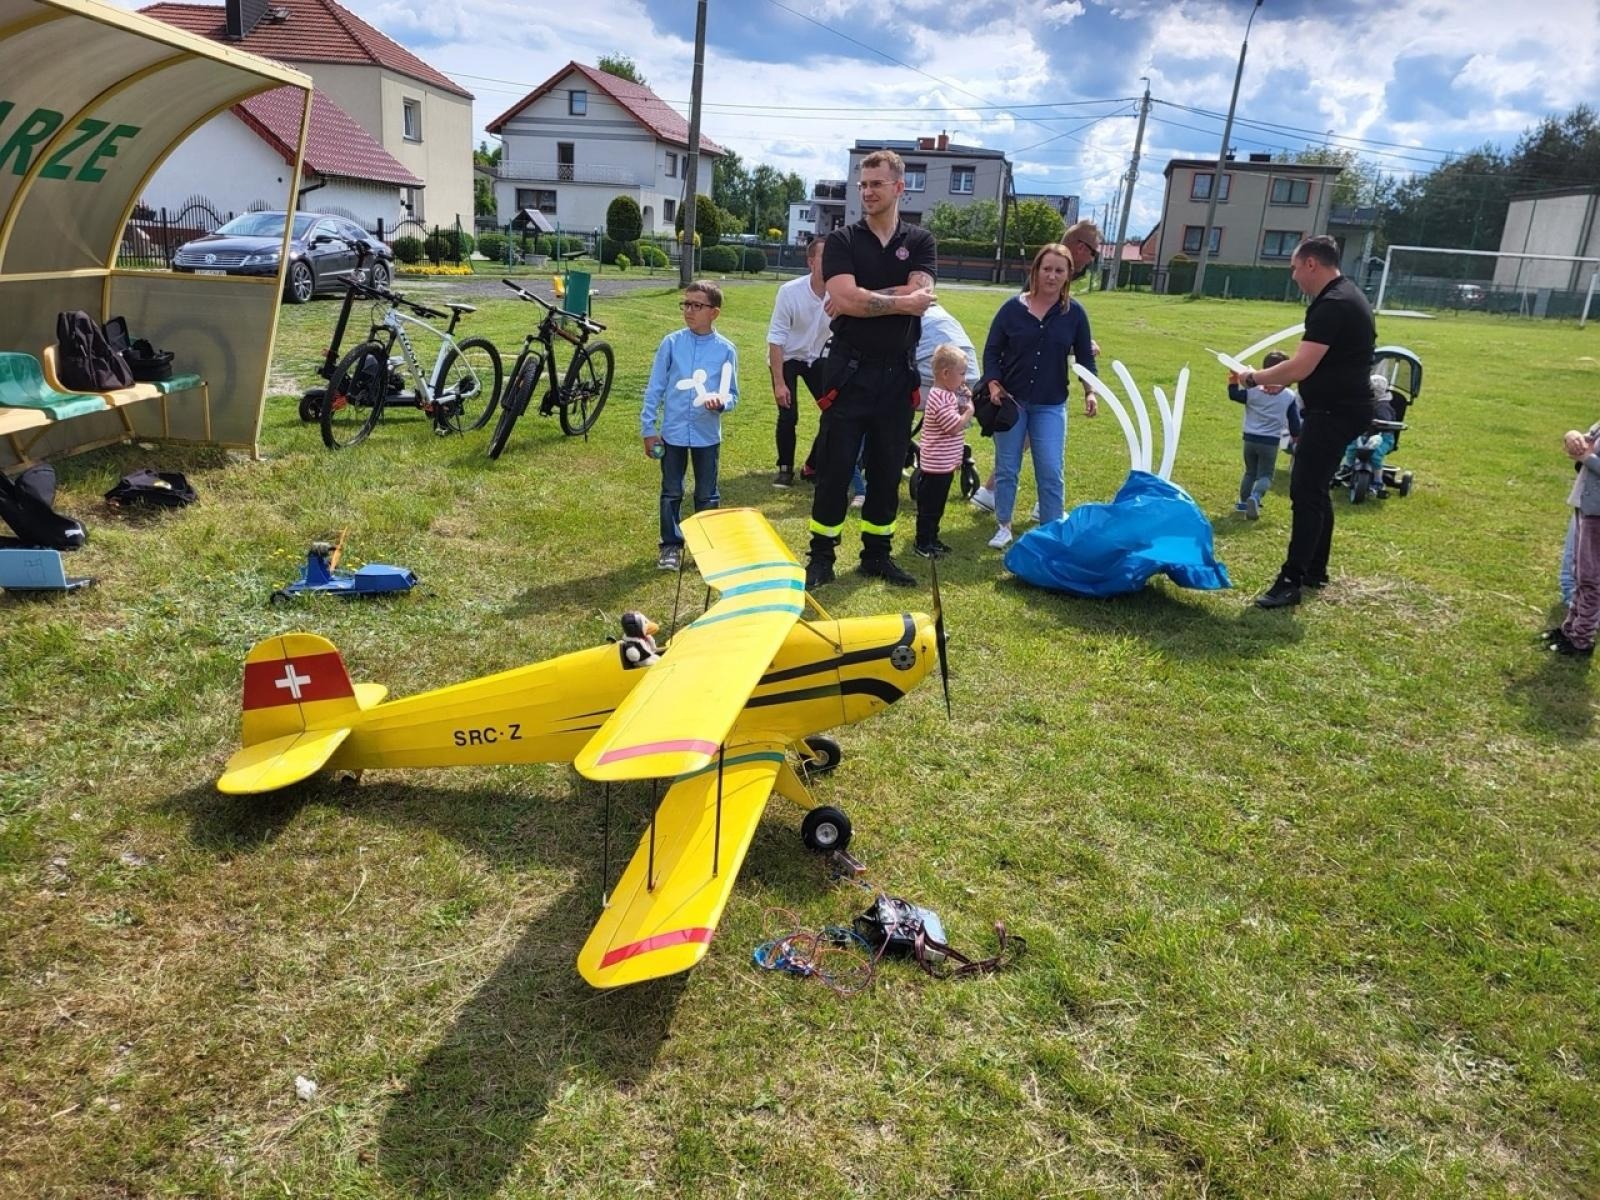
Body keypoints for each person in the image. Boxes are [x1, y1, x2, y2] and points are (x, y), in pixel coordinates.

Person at [806, 149, 937, 589]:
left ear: (899, 187)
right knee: (835, 468)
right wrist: (899, 301)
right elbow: (843, 299)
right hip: (849, 373)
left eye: (876, 183)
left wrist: (865, 297)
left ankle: (876, 555)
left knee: (886, 471)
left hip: (898, 376)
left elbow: (921, 292)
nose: (867, 191)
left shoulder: (920, 241)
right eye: (862, 184)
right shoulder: (843, 240)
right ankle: (821, 555)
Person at [1237, 235, 1376, 608]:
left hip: (1334, 412)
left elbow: (1300, 367)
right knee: (1316, 490)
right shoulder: (1346, 296)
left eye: (1296, 268)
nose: (1295, 276)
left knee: (1305, 491)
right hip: (1340, 409)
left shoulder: (1333, 304)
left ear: (1312, 264)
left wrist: (1253, 377)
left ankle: (1291, 580)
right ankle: (1315, 569)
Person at [979, 228, 1101, 550]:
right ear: (1036, 271)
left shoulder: (1074, 313)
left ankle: (1052, 532)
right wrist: (993, 382)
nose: (1052, 275)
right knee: (1007, 467)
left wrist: (1090, 390)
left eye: (1059, 270)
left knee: (1050, 470)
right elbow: (992, 350)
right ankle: (1004, 525)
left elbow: (1085, 357)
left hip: (1051, 404)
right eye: (1046, 268)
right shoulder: (1011, 308)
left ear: (1067, 276)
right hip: (1011, 401)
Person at [641, 280, 738, 572]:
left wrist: (721, 403)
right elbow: (655, 388)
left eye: (697, 305)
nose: (689, 311)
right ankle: (670, 545)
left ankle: (707, 548)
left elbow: (732, 394)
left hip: (707, 437)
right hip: (672, 434)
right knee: (671, 490)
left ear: (714, 312)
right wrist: (649, 429)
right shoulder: (671, 343)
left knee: (707, 494)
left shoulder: (726, 350)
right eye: (686, 304)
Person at [766, 237, 831, 488]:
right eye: (825, 256)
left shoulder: (840, 293)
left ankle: (812, 466)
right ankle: (785, 469)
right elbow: (775, 339)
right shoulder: (790, 292)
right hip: (788, 357)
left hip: (817, 358)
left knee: (835, 412)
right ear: (811, 261)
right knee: (788, 414)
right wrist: (779, 383)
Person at [913, 344, 975, 558]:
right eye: (962, 374)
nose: (964, 379)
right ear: (946, 374)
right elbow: (953, 426)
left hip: (945, 464)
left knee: (938, 505)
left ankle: (933, 538)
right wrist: (969, 411)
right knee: (929, 507)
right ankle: (923, 542)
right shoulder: (939, 396)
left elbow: (954, 413)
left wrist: (964, 400)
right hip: (935, 465)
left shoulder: (948, 394)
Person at [1546, 420, 1600, 655]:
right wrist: (1574, 437)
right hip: (1586, 506)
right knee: (1580, 573)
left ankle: (1582, 638)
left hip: (1597, 513)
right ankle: (1570, 629)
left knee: (1591, 578)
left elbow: (1588, 455)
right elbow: (1588, 438)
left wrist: (1586, 458)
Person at [1228, 348, 1299, 519]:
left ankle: (1243, 503)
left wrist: (1233, 379)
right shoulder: (1289, 396)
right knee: (1266, 475)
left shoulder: (1252, 391)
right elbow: (1295, 423)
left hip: (1250, 439)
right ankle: (1256, 496)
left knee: (1250, 472)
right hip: (1271, 442)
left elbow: (1234, 395)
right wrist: (1295, 437)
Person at [1338, 372, 1398, 489]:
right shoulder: (1365, 403)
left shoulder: (1383, 406)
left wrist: (1377, 422)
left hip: (1383, 437)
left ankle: (1378, 480)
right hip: (1365, 435)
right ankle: (1348, 466)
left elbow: (1386, 421)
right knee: (1352, 446)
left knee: (1375, 455)